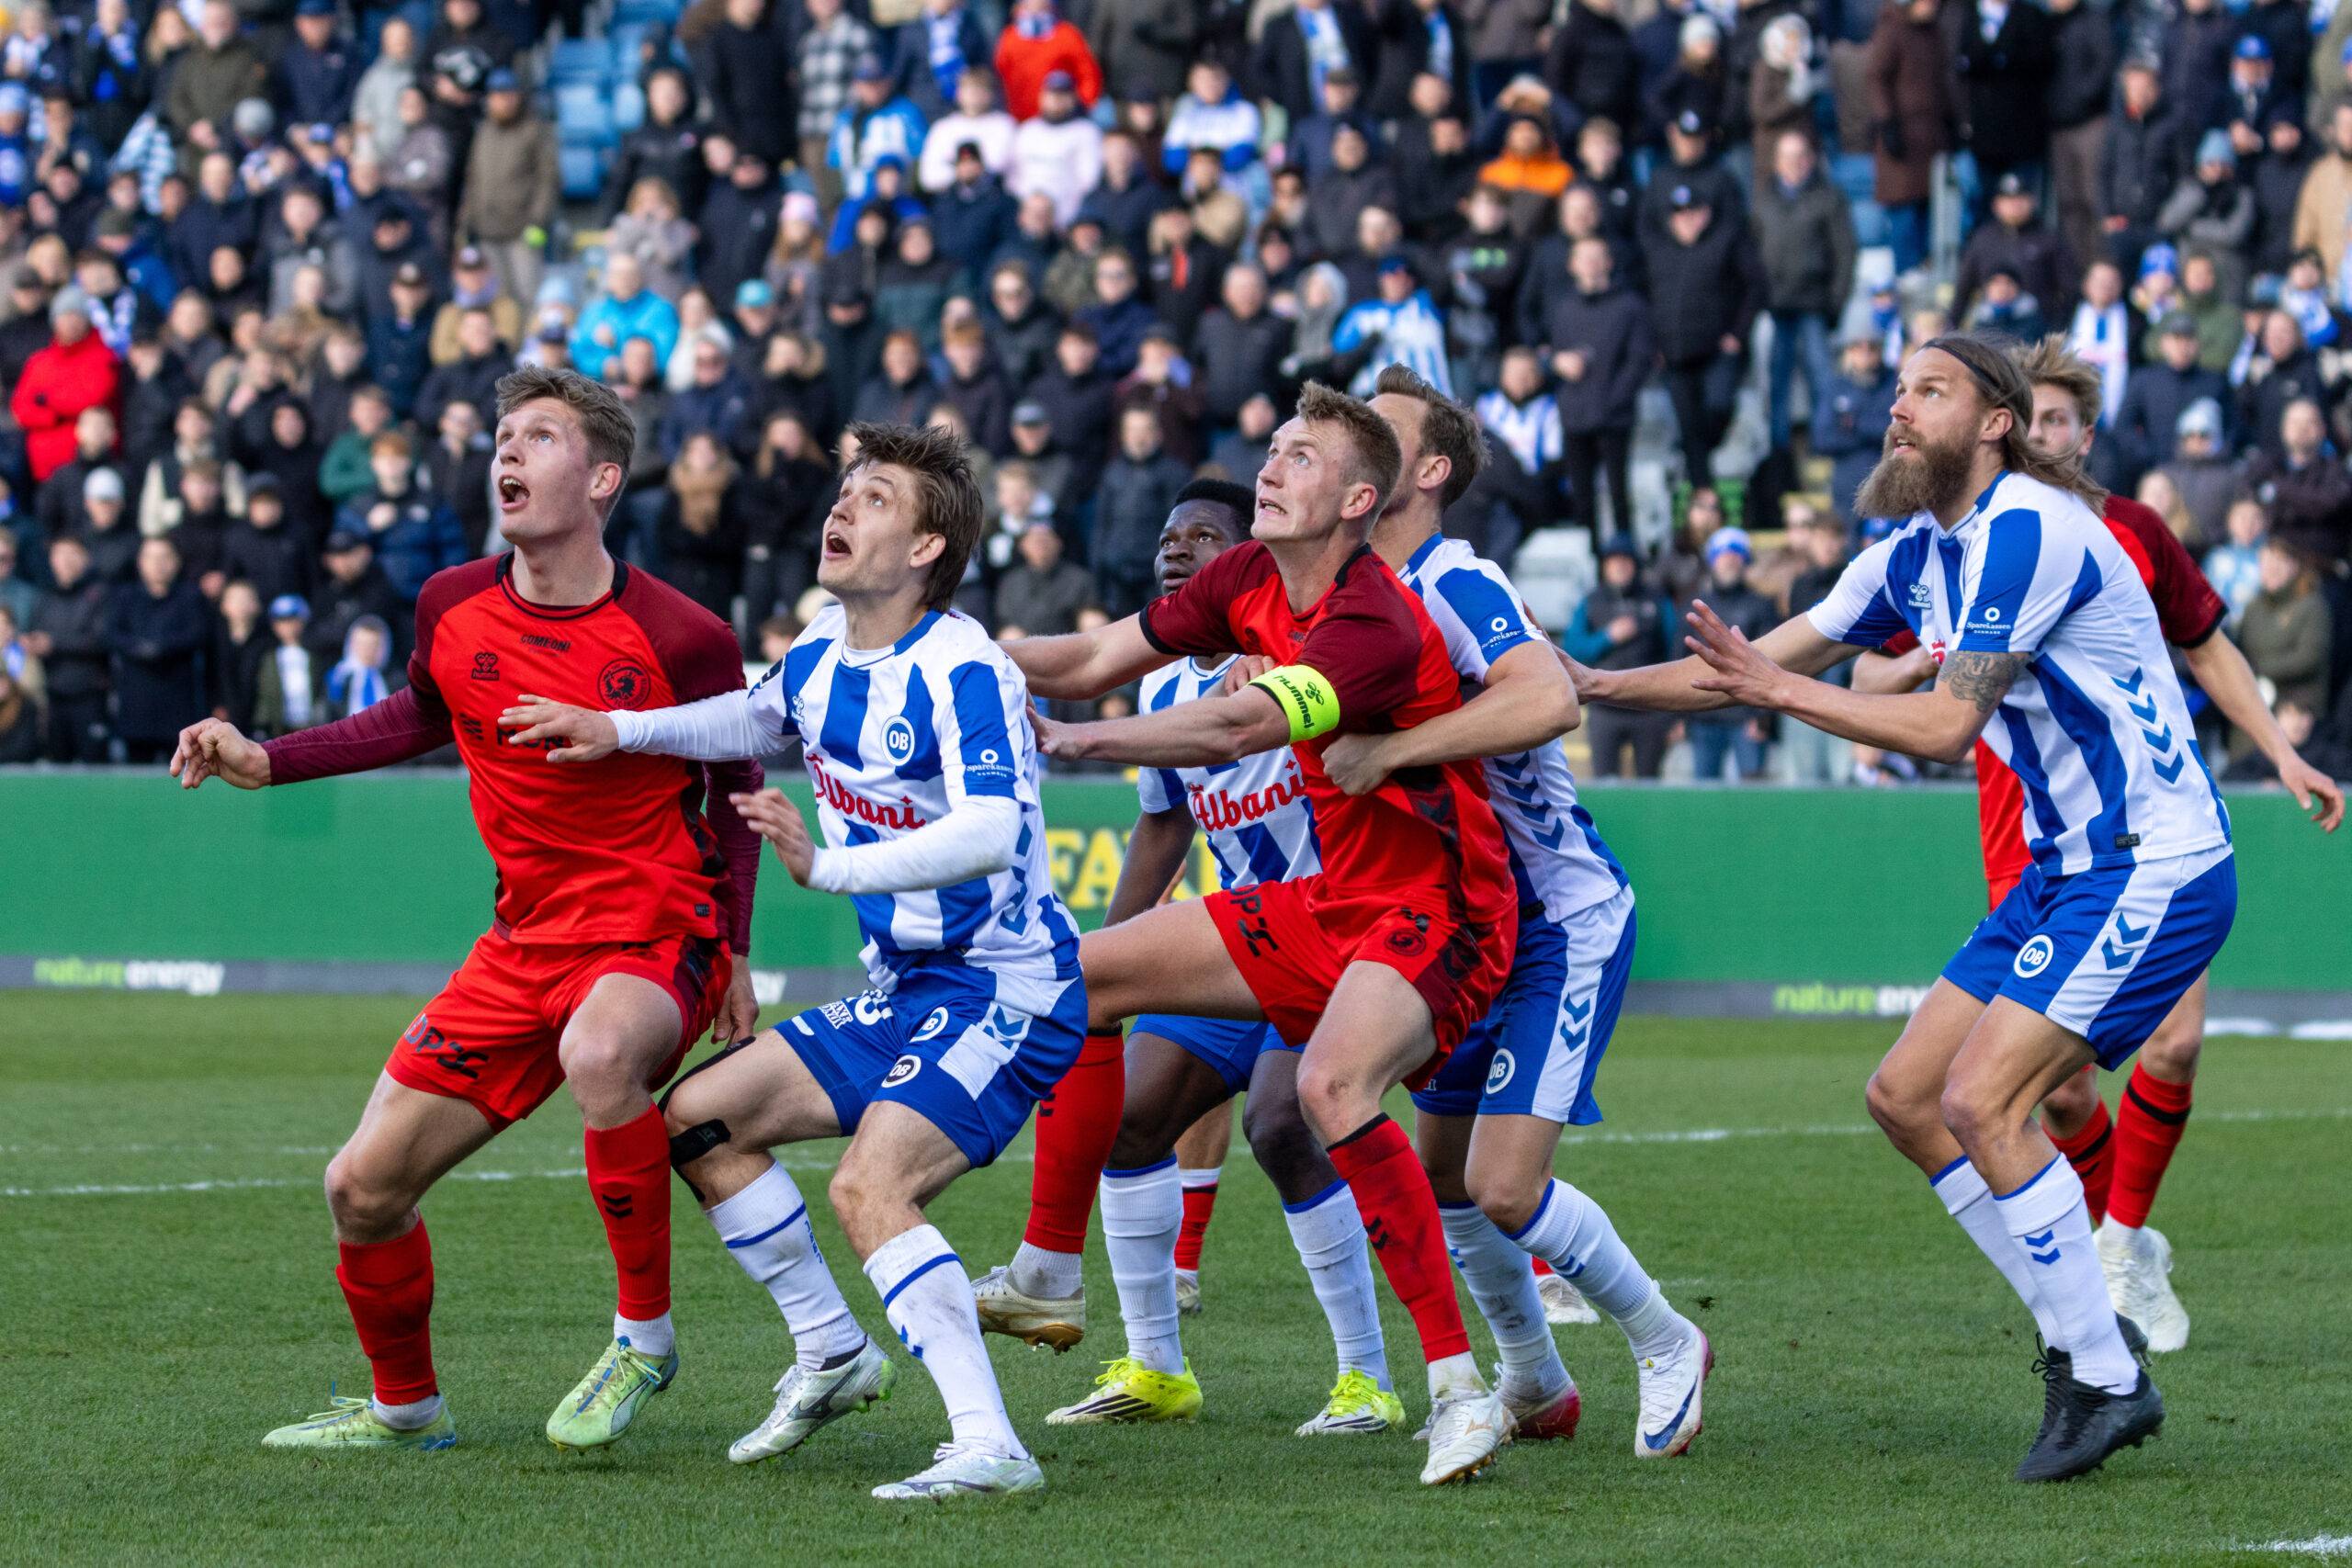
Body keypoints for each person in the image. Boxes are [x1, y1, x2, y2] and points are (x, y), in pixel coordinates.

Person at [1565, 333, 2235, 1482]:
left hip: (2153, 862)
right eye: (1896, 391)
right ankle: (2091, 1338)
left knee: (1983, 1100)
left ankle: (2101, 1375)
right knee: (1905, 1096)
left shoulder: (2027, 525)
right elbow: (1747, 662)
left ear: (1995, 422)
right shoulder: (1914, 555)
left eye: (1930, 390)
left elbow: (1939, 729)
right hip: (2068, 868)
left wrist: (1779, 689)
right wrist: (1583, 684)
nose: (1898, 409)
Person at [167, 366, 763, 1455]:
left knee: (599, 1053)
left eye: (536, 437)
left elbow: (736, 788)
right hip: (519, 943)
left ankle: (645, 1338)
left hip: (651, 931)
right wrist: (269, 759)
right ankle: (408, 1410)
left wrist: (731, 944)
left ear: (601, 477)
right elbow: (416, 716)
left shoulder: (683, 638)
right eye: (500, 438)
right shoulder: (451, 601)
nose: (506, 455)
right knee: (359, 1187)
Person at [501, 422, 1080, 1502]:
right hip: (903, 993)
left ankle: (988, 1444)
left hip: (1006, 989)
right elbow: (747, 717)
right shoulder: (820, 647)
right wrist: (616, 731)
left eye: (875, 498)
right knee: (697, 1121)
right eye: (845, 489)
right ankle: (829, 1349)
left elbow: (994, 828)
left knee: (871, 1185)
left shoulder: (964, 667)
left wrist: (830, 869)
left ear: (925, 549)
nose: (843, 508)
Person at [994, 382, 1529, 1486]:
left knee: (1325, 1097)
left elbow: (1237, 723)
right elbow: (1095, 655)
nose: (1271, 468)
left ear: (1358, 499)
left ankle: (1456, 1389)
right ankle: (1050, 1270)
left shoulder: (1375, 620)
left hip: (1440, 906)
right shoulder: (1245, 576)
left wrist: (1079, 743)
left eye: (1299, 456)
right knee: (1078, 979)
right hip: (1325, 899)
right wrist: (956, 652)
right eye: (1274, 446)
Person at [976, 479, 1414, 1439]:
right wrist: (1110, 967)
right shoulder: (1167, 685)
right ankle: (1155, 1368)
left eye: (1203, 535)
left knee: (1282, 1120)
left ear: (1247, 556)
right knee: (1127, 1120)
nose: (1177, 551)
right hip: (1236, 944)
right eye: (1169, 539)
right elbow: (1163, 830)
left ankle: (1365, 1380)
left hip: (1341, 934)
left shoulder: (1315, 653)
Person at [1363, 366, 1710, 1453]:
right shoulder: (1343, 595)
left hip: (1558, 917)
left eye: (1378, 432)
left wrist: (1396, 750)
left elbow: (1549, 695)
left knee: (1504, 1184)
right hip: (1466, 921)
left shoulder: (1456, 579)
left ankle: (1665, 1341)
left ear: (1424, 472)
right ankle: (1533, 1378)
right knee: (1442, 1171)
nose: (1347, 445)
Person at [1563, 536, 1670, 777]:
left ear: (1636, 565)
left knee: (1649, 783)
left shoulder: (1656, 599)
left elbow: (1672, 649)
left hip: (1648, 708)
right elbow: (1572, 649)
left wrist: (1672, 714)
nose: (1620, 566)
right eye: (1613, 561)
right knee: (1604, 781)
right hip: (1605, 707)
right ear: (1604, 566)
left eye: (1626, 560)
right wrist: (1608, 637)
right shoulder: (1591, 601)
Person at [1681, 526, 1775, 782]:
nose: (1729, 561)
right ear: (1712, 560)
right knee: (1704, 797)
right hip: (1703, 717)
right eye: (1723, 554)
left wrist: (1762, 717)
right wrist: (1677, 717)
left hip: (1746, 717)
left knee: (1753, 792)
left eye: (1736, 554)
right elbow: (1677, 660)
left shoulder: (1762, 606)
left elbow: (1772, 661)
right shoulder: (1693, 605)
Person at [106, 534, 208, 762]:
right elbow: (111, 634)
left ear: (176, 562)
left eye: (164, 557)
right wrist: (138, 648)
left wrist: (163, 647)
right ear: (140, 562)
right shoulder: (125, 596)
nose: (158, 564)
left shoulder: (190, 596)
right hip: (135, 705)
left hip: (179, 706)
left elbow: (198, 634)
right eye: (151, 557)